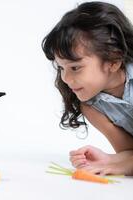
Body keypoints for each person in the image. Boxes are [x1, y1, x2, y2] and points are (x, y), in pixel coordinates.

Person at [41, 1, 133, 175]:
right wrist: (110, 160)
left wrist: (118, 164)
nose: (65, 78)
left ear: (113, 61)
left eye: (75, 68)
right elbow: (129, 154)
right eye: (61, 68)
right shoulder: (92, 107)